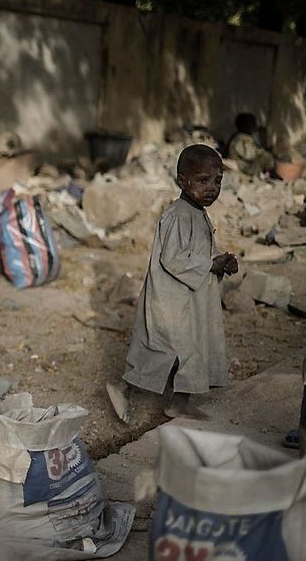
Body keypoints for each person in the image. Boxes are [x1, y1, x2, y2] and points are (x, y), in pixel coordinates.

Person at [120, 144, 238, 420]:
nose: (212, 188)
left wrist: (220, 262)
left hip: (190, 298)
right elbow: (173, 259)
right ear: (182, 182)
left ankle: (179, 401)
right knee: (169, 349)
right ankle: (126, 388)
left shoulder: (197, 213)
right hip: (172, 299)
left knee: (189, 349)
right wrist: (210, 264)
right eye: (203, 180)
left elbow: (197, 254)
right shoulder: (177, 215)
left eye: (217, 181)